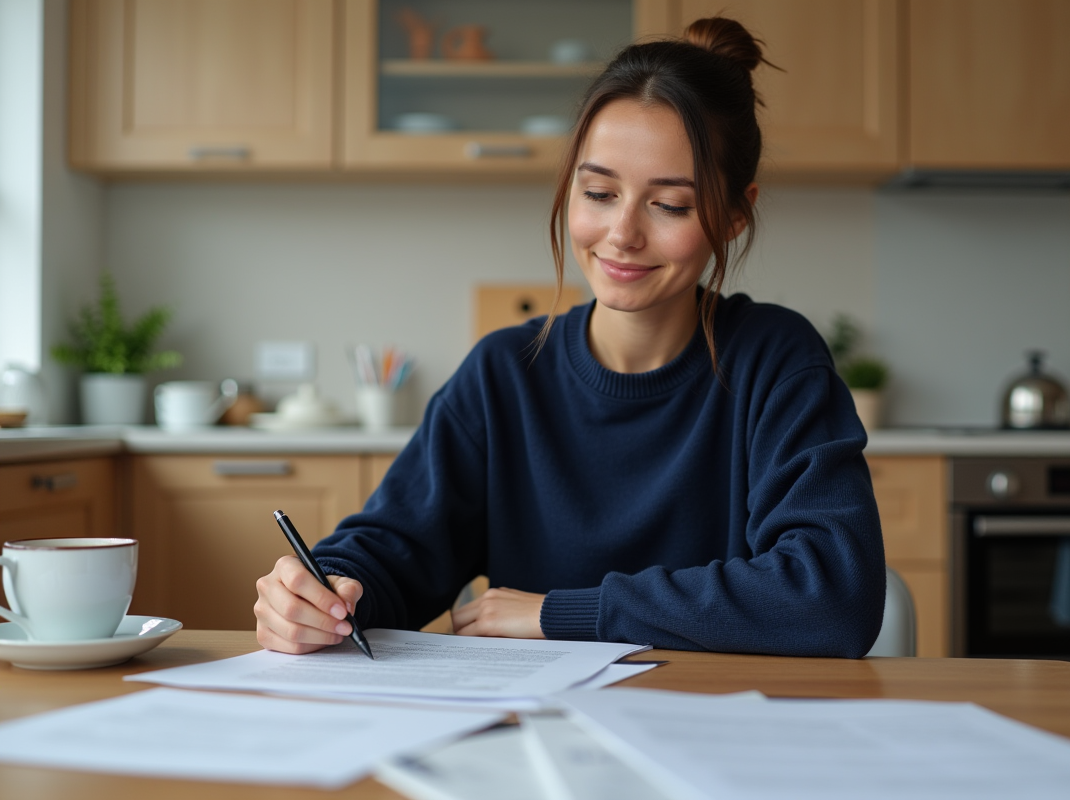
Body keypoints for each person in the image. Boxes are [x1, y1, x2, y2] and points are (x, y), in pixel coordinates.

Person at [254, 17, 885, 659]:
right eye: (599, 192)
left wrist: (567, 612)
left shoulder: (776, 362)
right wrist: (321, 590)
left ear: (734, 215)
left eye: (669, 205)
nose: (622, 233)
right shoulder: (504, 373)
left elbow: (832, 598)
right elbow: (395, 549)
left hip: (715, 726)